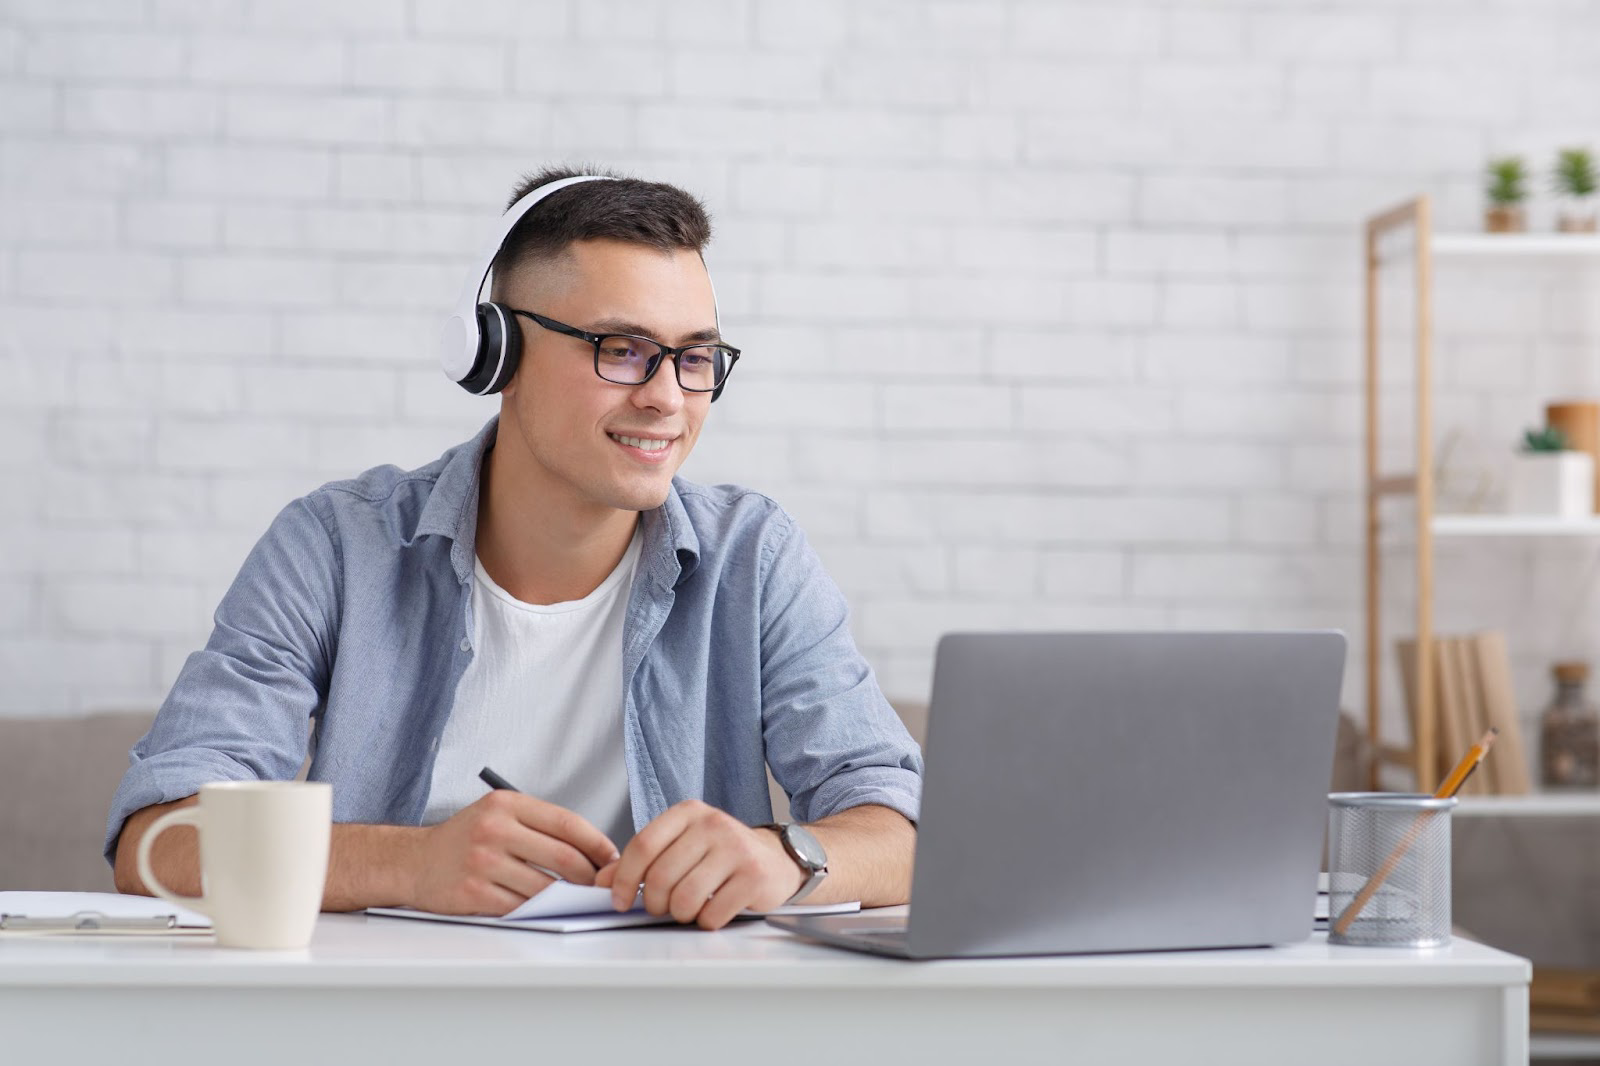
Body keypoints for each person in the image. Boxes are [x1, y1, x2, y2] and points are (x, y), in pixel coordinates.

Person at [108, 166, 922, 930]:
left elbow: (907, 827)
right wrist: (413, 863)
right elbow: (159, 841)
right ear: (494, 353)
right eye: (624, 350)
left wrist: (787, 855)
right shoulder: (335, 547)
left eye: (695, 357)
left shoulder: (754, 555)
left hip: (670, 1015)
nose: (668, 398)